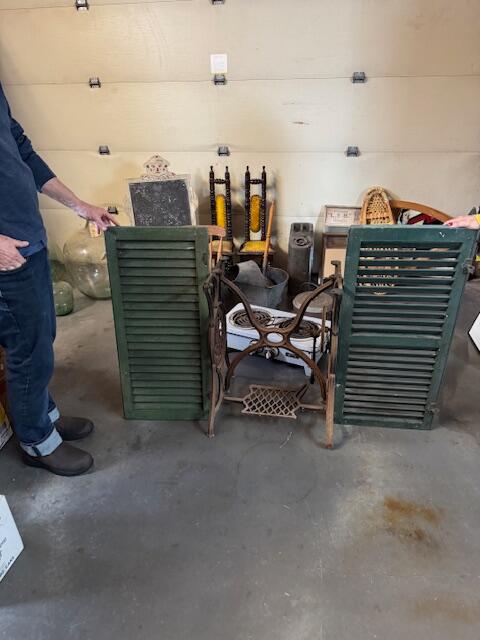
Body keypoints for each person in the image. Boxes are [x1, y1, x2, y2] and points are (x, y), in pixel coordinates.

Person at [0, 82, 117, 476]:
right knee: (27, 349)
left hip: (26, 238)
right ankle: (37, 442)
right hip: (4, 255)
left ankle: (44, 417)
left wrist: (78, 205)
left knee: (41, 338)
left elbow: (21, 149)